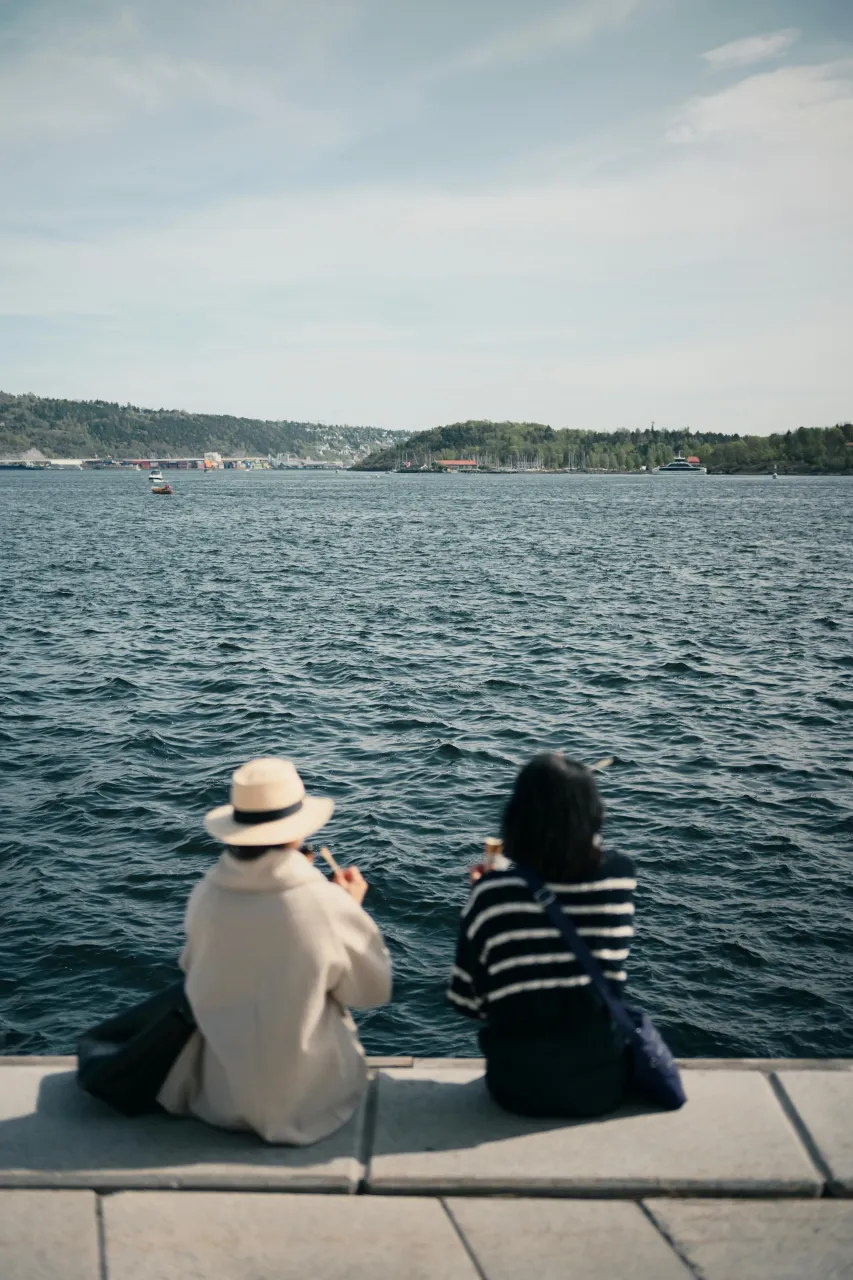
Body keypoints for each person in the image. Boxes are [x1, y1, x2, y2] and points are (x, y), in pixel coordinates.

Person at [158, 756, 392, 1144]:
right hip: (313, 1101)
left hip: (222, 1097)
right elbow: (371, 991)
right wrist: (349, 909)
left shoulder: (206, 896)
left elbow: (191, 971)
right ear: (298, 832)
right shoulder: (322, 902)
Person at [447, 752, 636, 1118]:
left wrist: (482, 897)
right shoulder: (620, 877)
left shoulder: (493, 894)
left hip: (516, 1087)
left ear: (517, 820)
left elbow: (466, 1002)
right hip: (602, 1084)